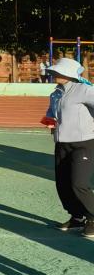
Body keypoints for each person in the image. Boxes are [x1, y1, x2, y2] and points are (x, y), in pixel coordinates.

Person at [45, 58, 94, 236]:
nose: (54, 74)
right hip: (61, 144)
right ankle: (77, 218)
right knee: (63, 184)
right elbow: (51, 113)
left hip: (84, 143)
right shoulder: (55, 93)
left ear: (68, 73)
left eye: (57, 71)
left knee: (79, 183)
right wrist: (49, 120)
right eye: (53, 71)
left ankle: (93, 218)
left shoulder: (85, 90)